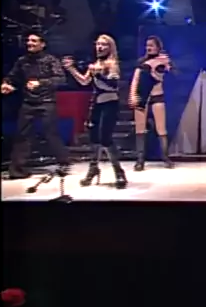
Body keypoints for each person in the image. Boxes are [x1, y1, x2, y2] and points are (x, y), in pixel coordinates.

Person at [1, 32, 69, 180]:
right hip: (28, 102)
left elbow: (60, 79)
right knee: (22, 135)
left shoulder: (50, 60)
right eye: (28, 41)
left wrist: (40, 83)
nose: (29, 43)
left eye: (34, 41)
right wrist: (6, 84)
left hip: (47, 101)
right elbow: (12, 77)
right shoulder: (22, 61)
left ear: (42, 44)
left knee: (51, 133)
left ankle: (63, 162)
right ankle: (17, 169)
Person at [62, 35, 127, 189]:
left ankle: (118, 171)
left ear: (110, 47)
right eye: (98, 44)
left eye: (103, 44)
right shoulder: (96, 63)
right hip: (97, 103)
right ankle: (93, 169)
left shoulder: (112, 64)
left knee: (105, 138)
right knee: (94, 138)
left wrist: (98, 74)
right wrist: (71, 69)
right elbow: (84, 81)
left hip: (110, 103)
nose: (99, 47)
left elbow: (112, 85)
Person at [129, 35, 174, 171]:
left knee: (161, 128)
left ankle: (165, 157)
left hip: (156, 95)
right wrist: (132, 94)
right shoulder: (141, 62)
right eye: (147, 45)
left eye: (151, 45)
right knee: (140, 128)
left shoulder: (163, 61)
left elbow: (167, 73)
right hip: (142, 96)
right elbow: (135, 79)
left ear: (158, 47)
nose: (148, 48)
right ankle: (140, 160)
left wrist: (166, 64)